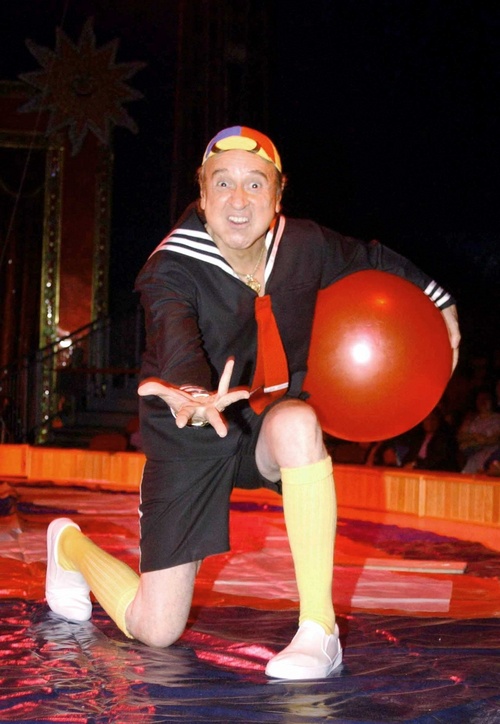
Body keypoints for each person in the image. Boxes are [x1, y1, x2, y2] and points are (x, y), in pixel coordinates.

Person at [45, 126, 460, 680]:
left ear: (278, 192)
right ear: (202, 193)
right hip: (191, 430)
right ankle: (68, 546)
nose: (238, 200)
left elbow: (373, 259)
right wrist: (194, 394)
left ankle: (319, 630)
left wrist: (440, 301)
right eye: (223, 183)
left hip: (263, 422)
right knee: (157, 628)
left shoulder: (304, 244)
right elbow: (176, 337)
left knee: (299, 423)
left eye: (255, 184)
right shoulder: (170, 266)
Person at [457, 387, 500, 473]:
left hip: (491, 461)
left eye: (486, 399)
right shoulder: (471, 419)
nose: (482, 402)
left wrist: (473, 442)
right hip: (472, 461)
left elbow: (493, 439)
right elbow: (461, 437)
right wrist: (476, 436)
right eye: (480, 399)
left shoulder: (497, 419)